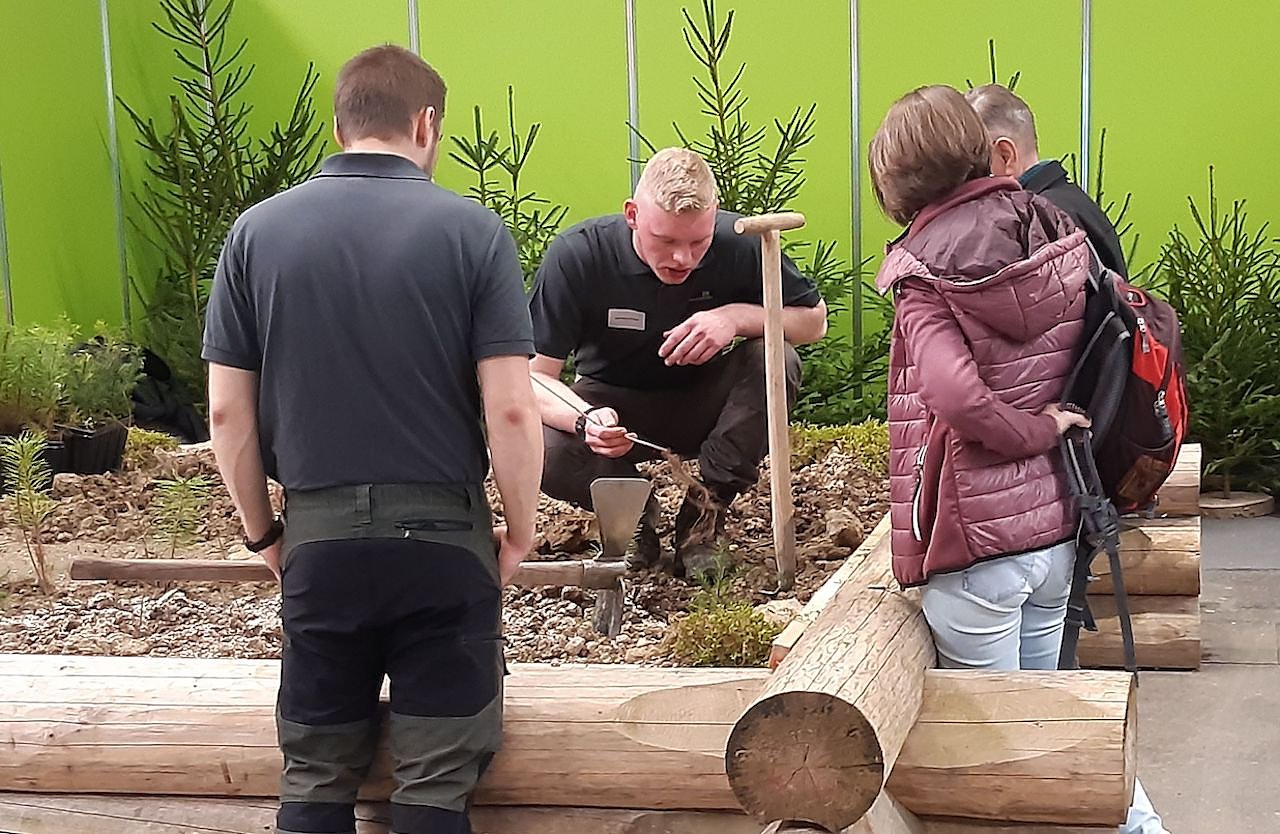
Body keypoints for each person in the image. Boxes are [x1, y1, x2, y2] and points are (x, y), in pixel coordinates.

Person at [203, 45, 542, 834]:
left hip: (319, 545)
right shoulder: (473, 232)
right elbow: (512, 410)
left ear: (339, 127)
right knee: (436, 785)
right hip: (443, 544)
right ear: (426, 125)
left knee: (315, 776)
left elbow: (225, 415)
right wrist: (520, 532)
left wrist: (264, 534)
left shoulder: (255, 233)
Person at [869, 85, 1169, 834]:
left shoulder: (923, 269)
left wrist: (1034, 429)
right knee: (1049, 724)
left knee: (1001, 758)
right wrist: (1055, 427)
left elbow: (958, 400)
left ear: (894, 177)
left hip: (979, 547)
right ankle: (1144, 826)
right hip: (1053, 531)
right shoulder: (1053, 226)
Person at [528, 148, 827, 579]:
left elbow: (814, 321)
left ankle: (703, 519)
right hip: (610, 408)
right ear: (632, 215)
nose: (683, 258)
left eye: (698, 242)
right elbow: (533, 377)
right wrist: (584, 419)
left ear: (714, 216)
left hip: (704, 403)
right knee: (538, 443)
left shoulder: (740, 242)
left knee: (776, 358)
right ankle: (632, 518)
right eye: (666, 241)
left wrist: (733, 318)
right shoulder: (579, 255)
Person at [966, 83, 1128, 276]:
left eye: (975, 165)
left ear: (1005, 155)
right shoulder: (1070, 202)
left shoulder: (1042, 221)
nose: (967, 180)